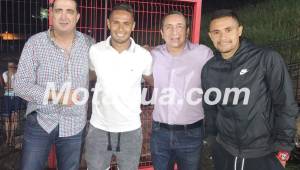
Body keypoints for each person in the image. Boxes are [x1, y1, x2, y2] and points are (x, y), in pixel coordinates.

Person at [201, 9, 299, 170]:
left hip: (263, 152)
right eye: (216, 32)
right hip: (225, 150)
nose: (223, 37)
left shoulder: (266, 59)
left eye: (228, 30)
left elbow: (286, 105)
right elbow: (210, 109)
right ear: (210, 36)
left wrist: (283, 150)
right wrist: (212, 140)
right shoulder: (209, 69)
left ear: (239, 30)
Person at [13, 0, 93, 169]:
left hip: (74, 122)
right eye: (59, 10)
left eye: (69, 11)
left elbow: (110, 65)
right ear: (51, 14)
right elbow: (20, 85)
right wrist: (56, 96)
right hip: (41, 119)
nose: (64, 16)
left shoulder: (89, 45)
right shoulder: (35, 43)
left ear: (77, 16)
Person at [85, 3, 153, 170]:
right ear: (108, 23)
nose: (120, 28)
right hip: (99, 127)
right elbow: (91, 75)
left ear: (133, 26)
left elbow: (150, 78)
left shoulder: (144, 56)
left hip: (131, 129)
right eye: (116, 22)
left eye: (126, 23)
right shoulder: (95, 51)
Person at [150, 11, 213, 170]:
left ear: (187, 31)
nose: (174, 32)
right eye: (169, 27)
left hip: (191, 133)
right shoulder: (152, 55)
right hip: (160, 134)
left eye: (179, 26)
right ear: (162, 32)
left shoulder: (203, 54)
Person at [1, 62, 21, 146]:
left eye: (13, 66)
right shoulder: (5, 74)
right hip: (7, 97)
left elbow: (19, 87)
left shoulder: (19, 74)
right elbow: (7, 86)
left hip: (16, 97)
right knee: (7, 119)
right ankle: (8, 136)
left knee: (14, 118)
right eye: (10, 66)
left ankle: (11, 138)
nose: (11, 68)